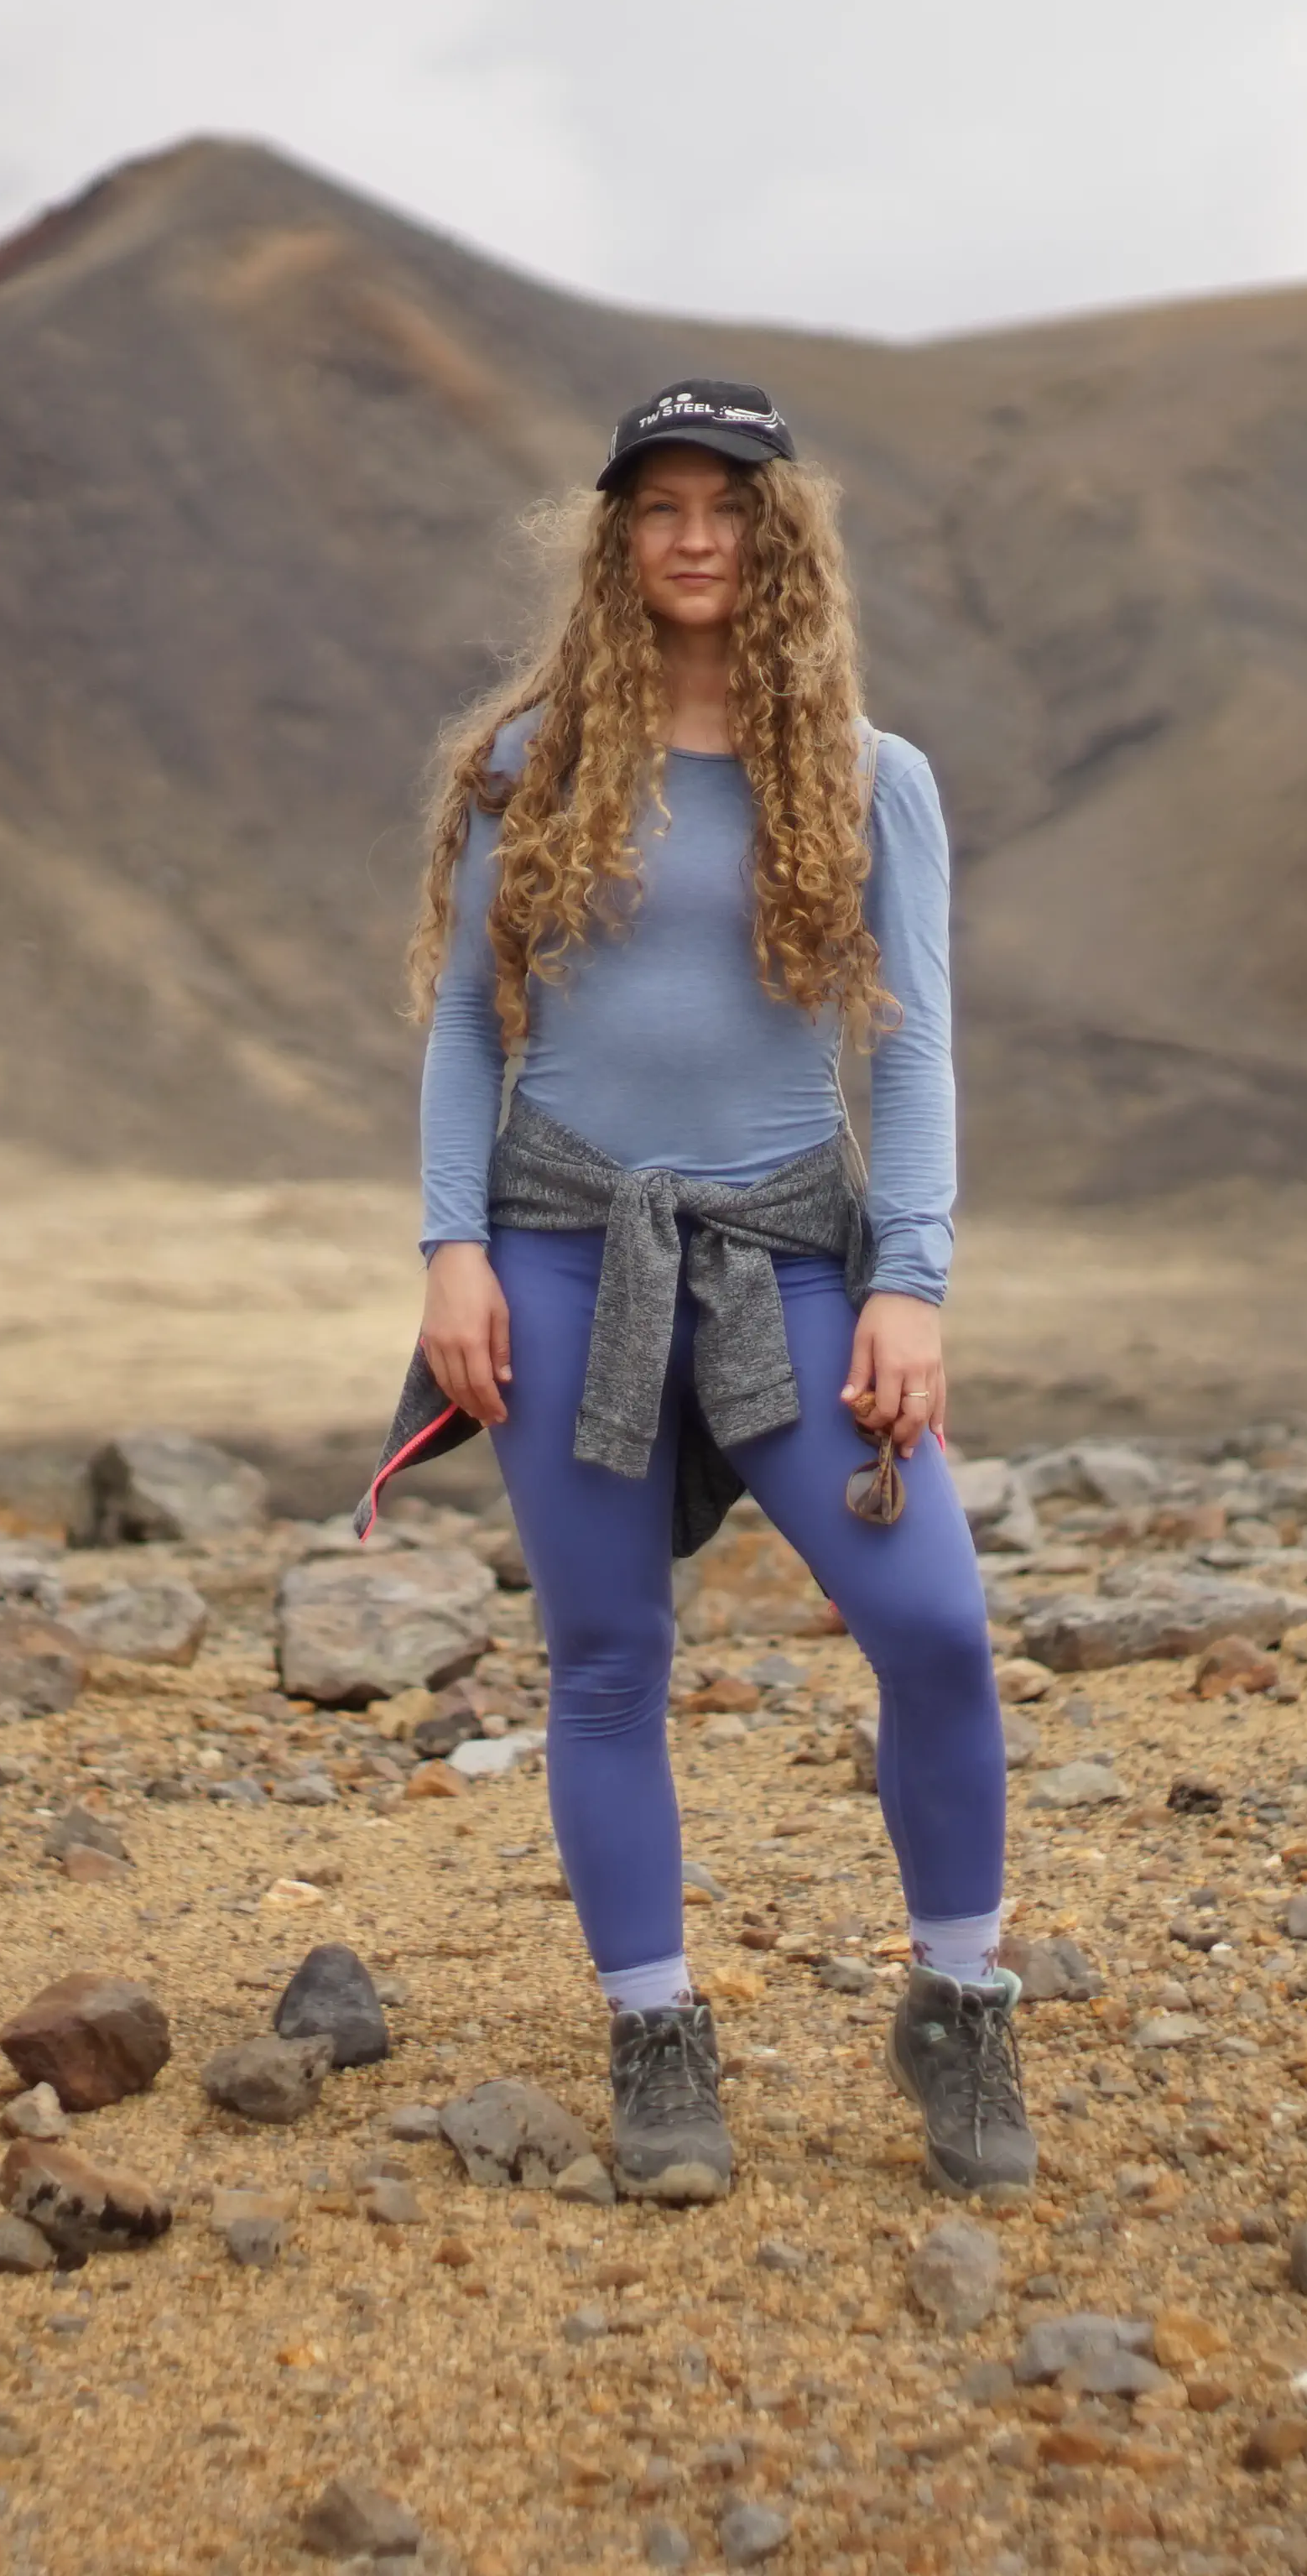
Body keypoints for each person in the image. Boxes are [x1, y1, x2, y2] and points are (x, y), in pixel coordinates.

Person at [381, 378, 1029, 2206]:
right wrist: (452, 1246)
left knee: (936, 1631)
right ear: (614, 535)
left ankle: (963, 1998)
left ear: (778, 536)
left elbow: (911, 1057)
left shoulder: (867, 774)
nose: (691, 532)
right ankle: (660, 2035)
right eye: (658, 502)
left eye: (725, 504)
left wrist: (909, 1283)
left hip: (789, 1254)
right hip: (562, 1244)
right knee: (606, 1662)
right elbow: (461, 1027)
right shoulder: (533, 765)